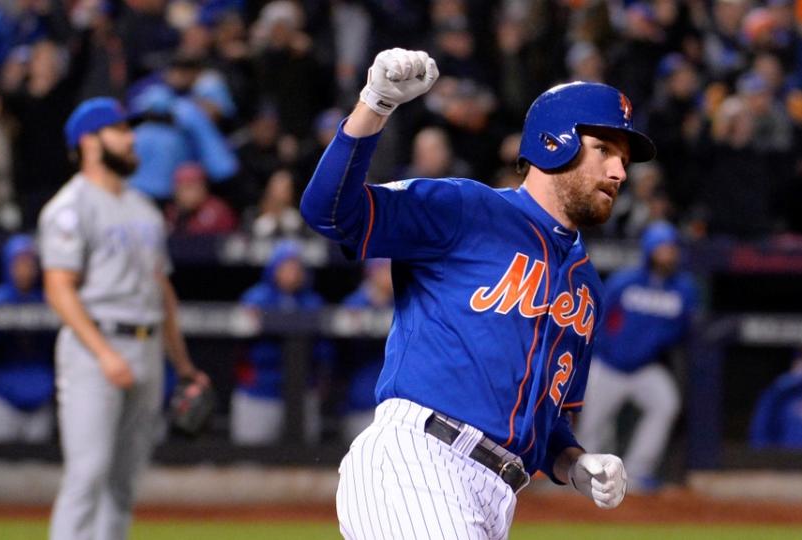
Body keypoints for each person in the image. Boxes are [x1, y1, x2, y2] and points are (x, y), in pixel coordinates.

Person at [301, 48, 656, 538]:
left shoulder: (586, 287)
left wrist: (574, 463)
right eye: (605, 150)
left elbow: (547, 426)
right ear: (556, 143)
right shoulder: (467, 208)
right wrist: (375, 105)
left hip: (497, 494)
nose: (619, 172)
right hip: (419, 462)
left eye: (624, 159)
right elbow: (331, 212)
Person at [39, 97, 210, 540]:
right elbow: (58, 288)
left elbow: (162, 289)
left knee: (123, 482)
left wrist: (184, 364)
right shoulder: (70, 206)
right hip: (95, 348)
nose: (131, 137)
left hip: (147, 344)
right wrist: (102, 353)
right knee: (87, 475)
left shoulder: (144, 207)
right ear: (89, 142)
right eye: (119, 130)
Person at [575, 222, 698, 493]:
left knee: (665, 403)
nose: (668, 254)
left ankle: (638, 473)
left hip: (645, 369)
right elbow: (598, 319)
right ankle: (586, 480)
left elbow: (682, 329)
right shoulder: (624, 282)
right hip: (608, 365)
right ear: (650, 250)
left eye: (671, 249)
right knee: (591, 426)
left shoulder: (683, 289)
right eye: (663, 249)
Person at [231, 239, 329, 445]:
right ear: (274, 268)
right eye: (286, 266)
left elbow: (324, 351)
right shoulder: (255, 299)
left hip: (302, 394)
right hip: (259, 393)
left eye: (296, 267)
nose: (292, 272)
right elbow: (238, 348)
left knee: (305, 458)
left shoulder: (312, 302)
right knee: (251, 461)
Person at [0, 234, 54, 443]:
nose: (25, 269)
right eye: (19, 262)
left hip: (40, 398)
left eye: (30, 262)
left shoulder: (49, 301)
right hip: (1, 398)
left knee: (41, 467)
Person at [337, 258, 393, 444]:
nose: (389, 275)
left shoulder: (404, 304)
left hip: (394, 406)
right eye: (385, 270)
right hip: (359, 401)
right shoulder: (353, 305)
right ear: (372, 272)